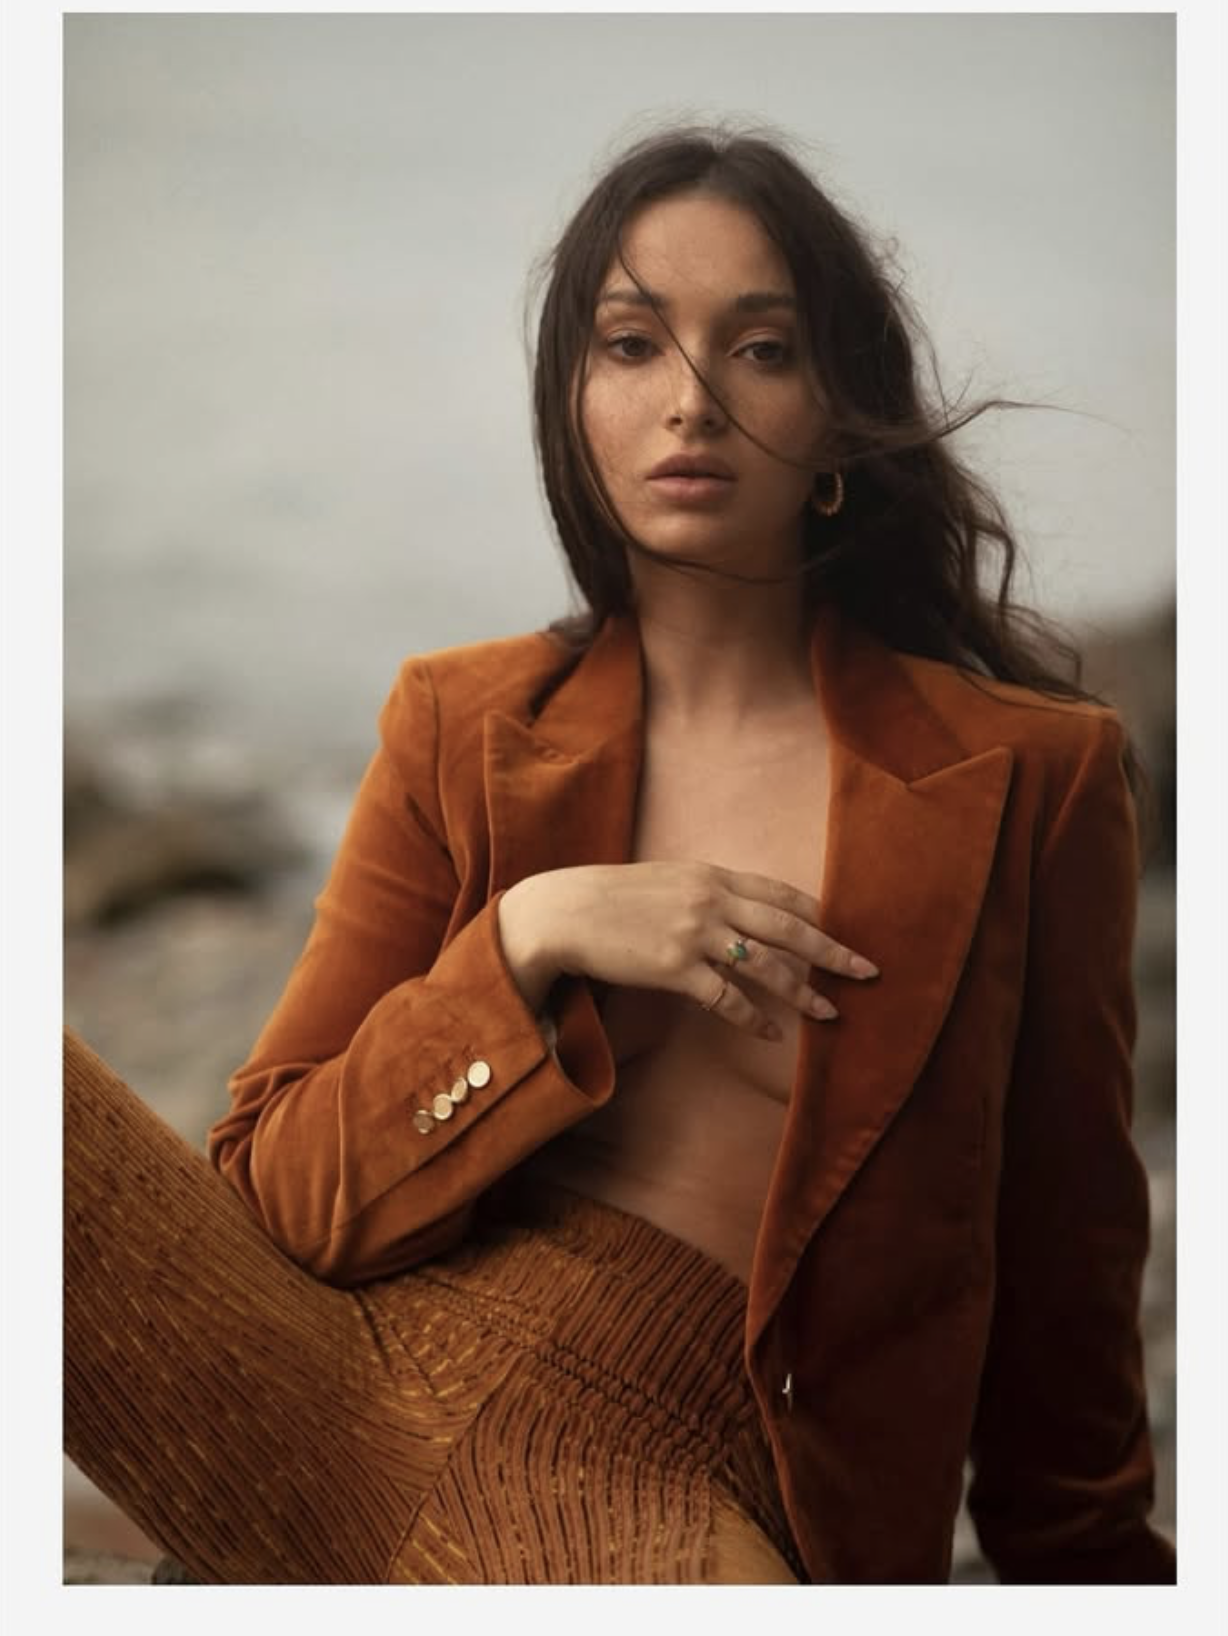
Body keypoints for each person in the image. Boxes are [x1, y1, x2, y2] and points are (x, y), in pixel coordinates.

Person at [63, 123, 1176, 1585]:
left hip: (684, 1477)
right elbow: (279, 1199)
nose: (693, 402)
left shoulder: (1028, 776)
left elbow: (1066, 1288)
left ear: (841, 415)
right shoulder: (459, 720)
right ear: (571, 401)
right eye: (633, 344)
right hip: (328, 1368)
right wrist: (528, 937)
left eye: (761, 349)